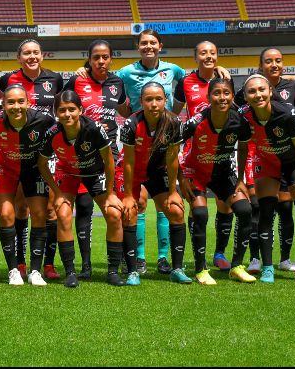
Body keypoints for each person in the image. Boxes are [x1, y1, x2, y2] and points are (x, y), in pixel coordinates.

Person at [37, 90, 126, 288]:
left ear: (80, 110)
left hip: (95, 174)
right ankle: (70, 272)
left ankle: (112, 271)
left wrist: (110, 194)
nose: (67, 114)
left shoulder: (94, 128)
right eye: (62, 110)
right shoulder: (52, 133)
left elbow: (109, 161)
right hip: (68, 174)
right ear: (56, 113)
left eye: (72, 109)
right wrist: (58, 193)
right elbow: (42, 164)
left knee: (113, 213)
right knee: (63, 213)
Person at [238, 74, 295, 284]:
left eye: (261, 90)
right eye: (252, 91)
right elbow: (243, 147)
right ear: (245, 97)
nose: (258, 95)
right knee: (265, 210)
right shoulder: (242, 115)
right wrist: (239, 178)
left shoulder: (289, 114)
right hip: (268, 162)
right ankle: (267, 268)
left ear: (270, 91)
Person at [0, 38, 64, 280]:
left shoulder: (55, 79)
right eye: (26, 53)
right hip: (16, 152)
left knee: (50, 210)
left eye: (36, 52)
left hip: (44, 154)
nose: (32, 56)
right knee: (20, 208)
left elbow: (61, 110)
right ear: (19, 57)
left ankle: (48, 264)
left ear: (42, 55)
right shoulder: (7, 81)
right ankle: (21, 263)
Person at [62, 39, 129, 280]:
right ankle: (84, 267)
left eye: (105, 57)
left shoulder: (117, 82)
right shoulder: (77, 80)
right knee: (82, 208)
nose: (101, 61)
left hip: (107, 153)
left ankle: (116, 267)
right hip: (78, 154)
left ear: (111, 59)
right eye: (96, 57)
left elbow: (124, 111)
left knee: (114, 210)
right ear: (89, 59)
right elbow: (63, 108)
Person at [179, 78, 257, 284]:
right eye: (216, 93)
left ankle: (237, 266)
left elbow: (243, 148)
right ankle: (200, 269)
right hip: (195, 171)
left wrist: (240, 179)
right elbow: (173, 145)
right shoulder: (196, 121)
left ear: (232, 96)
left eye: (226, 93)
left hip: (223, 172)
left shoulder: (239, 122)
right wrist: (182, 176)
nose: (221, 98)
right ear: (208, 96)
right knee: (200, 213)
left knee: (245, 210)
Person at [233, 47, 295, 274]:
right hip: (257, 153)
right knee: (257, 207)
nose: (274, 64)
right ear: (260, 65)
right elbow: (236, 114)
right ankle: (254, 258)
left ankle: (285, 258)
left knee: (286, 207)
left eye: (278, 60)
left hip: (284, 155)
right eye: (268, 61)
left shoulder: (293, 86)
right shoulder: (248, 90)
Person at [0, 84, 56, 286]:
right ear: (3, 104)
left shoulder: (44, 119)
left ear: (28, 102)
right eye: (11, 102)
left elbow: (64, 132)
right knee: (7, 215)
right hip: (5, 170)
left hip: (34, 170)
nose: (16, 106)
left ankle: (35, 270)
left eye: (20, 101)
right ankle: (13, 270)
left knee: (40, 215)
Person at [118, 82, 189, 284]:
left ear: (165, 100)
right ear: (141, 102)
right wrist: (129, 195)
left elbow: (172, 159)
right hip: (135, 171)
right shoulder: (131, 124)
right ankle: (132, 270)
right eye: (149, 99)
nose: (154, 103)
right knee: (131, 209)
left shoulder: (174, 122)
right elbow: (129, 162)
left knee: (176, 210)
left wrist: (174, 191)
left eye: (158, 99)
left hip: (158, 172)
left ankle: (176, 268)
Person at [173, 41, 235, 272]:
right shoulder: (185, 82)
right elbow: (176, 114)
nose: (208, 56)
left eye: (212, 52)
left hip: (221, 153)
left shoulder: (226, 79)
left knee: (225, 205)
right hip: (194, 155)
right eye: (203, 53)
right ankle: (198, 255)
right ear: (195, 57)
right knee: (198, 210)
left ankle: (220, 253)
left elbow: (235, 113)